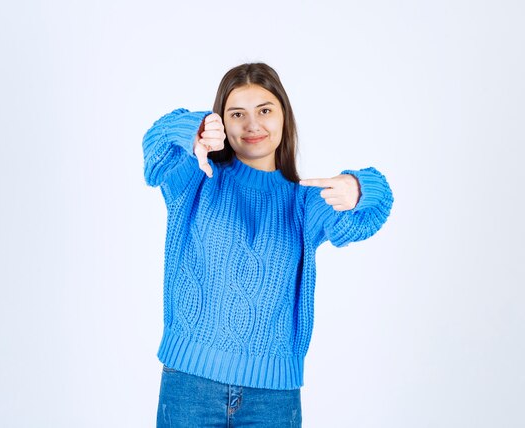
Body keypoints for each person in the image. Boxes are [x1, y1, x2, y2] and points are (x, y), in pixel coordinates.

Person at [142, 63, 394, 427]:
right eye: (237, 114)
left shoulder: (305, 203)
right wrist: (192, 130)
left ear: (283, 116)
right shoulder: (195, 178)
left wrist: (359, 187)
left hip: (273, 398)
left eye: (264, 110)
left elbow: (375, 209)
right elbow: (155, 148)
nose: (252, 124)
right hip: (189, 384)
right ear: (222, 124)